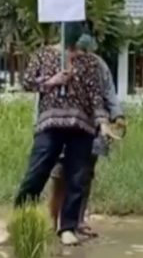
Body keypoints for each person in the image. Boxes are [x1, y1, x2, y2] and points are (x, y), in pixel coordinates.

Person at [14, 21, 109, 246]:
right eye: (71, 28)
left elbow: (96, 95)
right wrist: (51, 81)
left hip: (82, 126)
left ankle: (67, 227)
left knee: (77, 178)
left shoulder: (89, 61)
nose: (76, 33)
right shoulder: (43, 54)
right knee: (36, 174)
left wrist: (103, 121)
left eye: (79, 28)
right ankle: (18, 222)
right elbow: (27, 82)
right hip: (50, 123)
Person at [48, 32, 125, 238]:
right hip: (61, 125)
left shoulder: (98, 64)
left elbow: (108, 92)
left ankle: (76, 221)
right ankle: (52, 222)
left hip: (91, 127)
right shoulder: (55, 60)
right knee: (58, 175)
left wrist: (117, 116)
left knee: (83, 176)